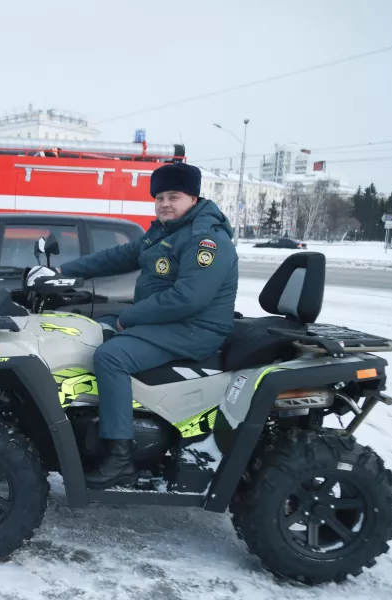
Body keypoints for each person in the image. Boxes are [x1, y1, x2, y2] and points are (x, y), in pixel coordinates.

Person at [27, 162, 238, 488]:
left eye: (174, 196)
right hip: (168, 321)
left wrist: (129, 318)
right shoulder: (166, 232)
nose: (165, 203)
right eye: (160, 197)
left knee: (112, 356)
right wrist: (64, 272)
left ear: (193, 198)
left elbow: (187, 299)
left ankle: (120, 457)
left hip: (195, 328)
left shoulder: (205, 240)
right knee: (89, 330)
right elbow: (118, 256)